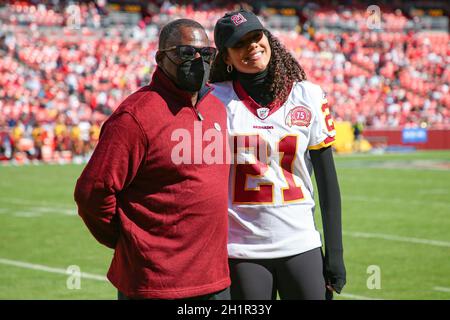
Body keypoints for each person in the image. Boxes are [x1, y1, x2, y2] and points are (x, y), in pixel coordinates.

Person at [74, 19, 231, 300]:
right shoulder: (135, 116)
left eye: (206, 54)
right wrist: (129, 241)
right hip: (154, 284)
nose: (199, 60)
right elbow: (92, 192)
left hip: (214, 281)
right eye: (186, 53)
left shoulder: (217, 107)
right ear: (161, 58)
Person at [210, 9, 346, 300]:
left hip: (300, 241)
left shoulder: (307, 95)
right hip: (241, 248)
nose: (251, 47)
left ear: (268, 37)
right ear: (225, 57)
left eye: (255, 36)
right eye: (239, 44)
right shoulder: (214, 98)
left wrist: (335, 252)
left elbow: (327, 180)